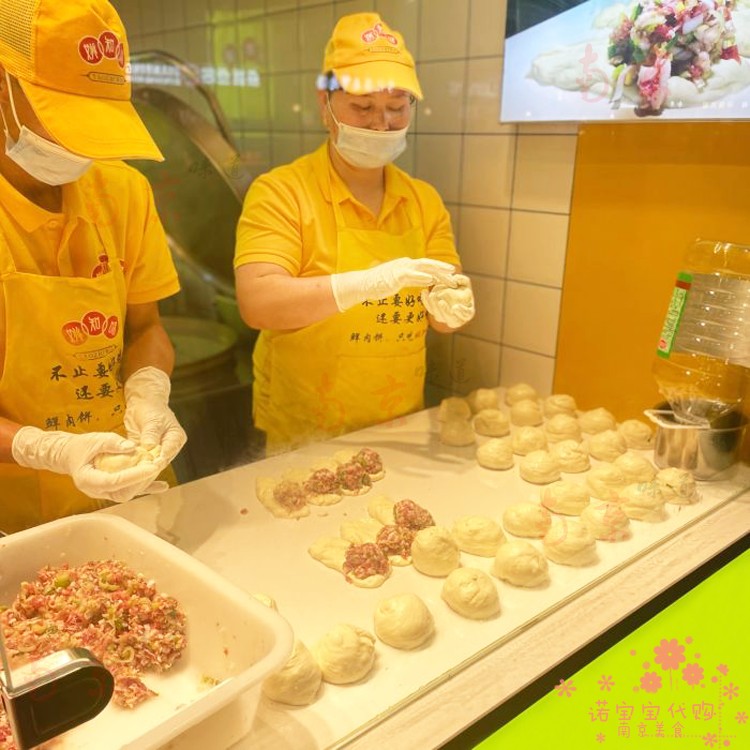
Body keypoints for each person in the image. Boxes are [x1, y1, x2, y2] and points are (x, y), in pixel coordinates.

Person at [234, 12, 475, 455]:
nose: (381, 124)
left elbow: (442, 317)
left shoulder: (424, 201)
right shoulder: (282, 192)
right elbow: (259, 303)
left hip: (401, 428)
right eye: (363, 107)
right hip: (306, 432)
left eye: (397, 107)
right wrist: (372, 283)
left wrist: (453, 304)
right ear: (324, 103)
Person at [0, 0, 187, 534]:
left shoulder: (124, 190)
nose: (81, 146)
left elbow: (146, 326)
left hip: (135, 497)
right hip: (18, 524)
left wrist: (149, 391)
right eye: (65, 119)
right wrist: (47, 448)